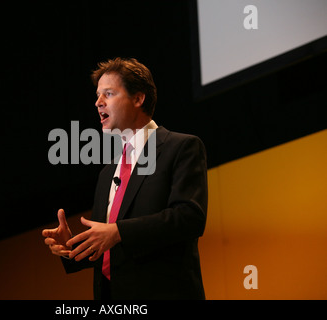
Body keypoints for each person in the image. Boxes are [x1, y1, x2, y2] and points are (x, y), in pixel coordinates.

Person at [42, 57, 208, 300]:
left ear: (138, 98)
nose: (98, 102)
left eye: (108, 94)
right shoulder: (107, 173)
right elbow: (108, 249)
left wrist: (119, 231)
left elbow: (189, 217)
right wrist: (72, 248)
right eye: (98, 95)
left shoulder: (180, 147)